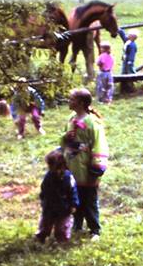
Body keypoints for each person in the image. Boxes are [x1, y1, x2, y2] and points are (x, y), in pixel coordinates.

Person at [61, 88, 109, 241]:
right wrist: (65, 138)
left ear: (81, 103)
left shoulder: (93, 123)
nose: (69, 101)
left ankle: (95, 229)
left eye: (72, 99)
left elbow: (99, 144)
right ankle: (77, 225)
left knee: (89, 199)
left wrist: (97, 166)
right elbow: (63, 141)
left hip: (87, 169)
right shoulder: (71, 119)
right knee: (75, 197)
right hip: (73, 167)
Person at [36, 149, 80, 244]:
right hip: (49, 207)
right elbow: (44, 190)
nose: (53, 170)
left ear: (63, 166)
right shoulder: (48, 177)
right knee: (45, 224)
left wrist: (73, 204)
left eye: (55, 167)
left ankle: (62, 241)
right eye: (50, 167)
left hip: (64, 208)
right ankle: (41, 237)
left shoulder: (68, 178)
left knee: (62, 227)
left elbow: (73, 191)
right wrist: (43, 200)